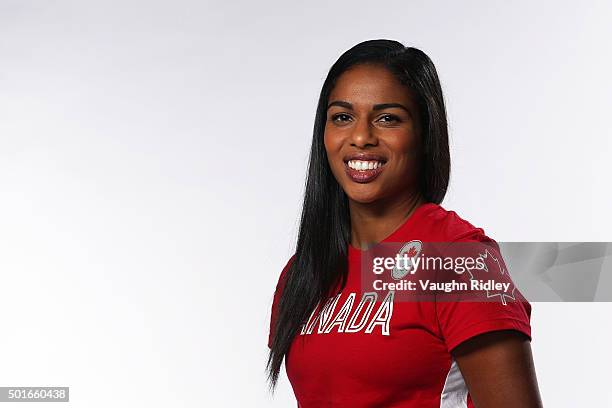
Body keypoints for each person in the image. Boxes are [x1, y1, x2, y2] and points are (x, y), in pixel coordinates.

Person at [266, 39, 543, 408]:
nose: (361, 137)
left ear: (425, 134)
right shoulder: (303, 272)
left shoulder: (461, 262)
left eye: (388, 118)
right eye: (342, 117)